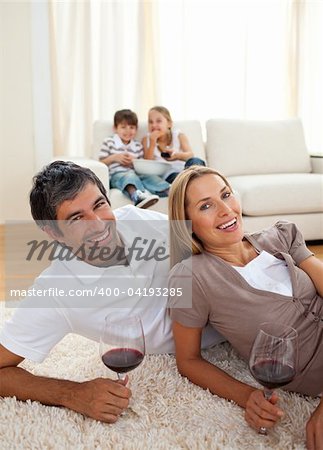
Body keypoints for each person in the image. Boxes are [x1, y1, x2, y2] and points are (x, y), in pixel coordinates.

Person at [0, 161, 223, 424]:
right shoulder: (55, 292)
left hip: (242, 310)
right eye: (76, 218)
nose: (98, 225)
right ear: (52, 232)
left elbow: (213, 241)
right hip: (218, 341)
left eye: (99, 205)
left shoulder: (138, 220)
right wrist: (72, 393)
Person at [167, 165, 323, 450]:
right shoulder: (190, 277)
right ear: (187, 224)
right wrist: (245, 395)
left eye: (226, 195)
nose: (226, 210)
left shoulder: (280, 237)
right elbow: (187, 360)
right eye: (206, 206)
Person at [99, 109, 169, 208]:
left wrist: (134, 161)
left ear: (136, 129)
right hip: (117, 175)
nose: (128, 131)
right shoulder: (109, 142)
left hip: (136, 173)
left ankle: (169, 190)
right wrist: (114, 158)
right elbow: (101, 163)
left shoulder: (137, 145)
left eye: (131, 127)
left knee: (150, 177)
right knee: (129, 177)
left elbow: (141, 167)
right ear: (115, 128)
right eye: (123, 127)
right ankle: (137, 196)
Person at [142, 106, 206, 184]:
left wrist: (177, 156)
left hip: (186, 169)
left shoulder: (178, 135)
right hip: (170, 175)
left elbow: (190, 155)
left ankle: (194, 184)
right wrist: (152, 143)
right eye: (150, 122)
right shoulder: (146, 140)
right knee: (179, 180)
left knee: (196, 161)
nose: (154, 125)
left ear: (169, 124)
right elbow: (147, 165)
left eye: (158, 121)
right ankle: (193, 185)